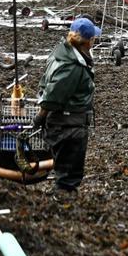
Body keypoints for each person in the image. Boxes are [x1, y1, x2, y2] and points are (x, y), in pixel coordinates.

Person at [33, 18, 100, 195]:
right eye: (94, 38)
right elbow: (53, 96)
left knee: (64, 171)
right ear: (89, 41)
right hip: (69, 127)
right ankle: (63, 205)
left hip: (62, 125)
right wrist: (40, 117)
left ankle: (61, 199)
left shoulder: (60, 53)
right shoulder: (73, 66)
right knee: (68, 178)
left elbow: (44, 86)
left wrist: (42, 117)